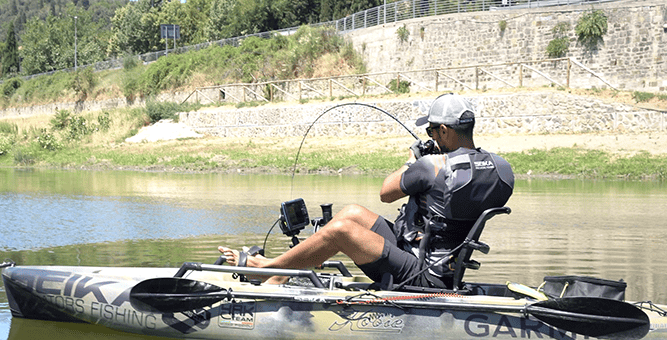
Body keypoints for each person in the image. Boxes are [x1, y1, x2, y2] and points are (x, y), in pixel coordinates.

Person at [219, 94, 515, 289]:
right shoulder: (502, 170)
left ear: (445, 131)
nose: (430, 137)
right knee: (351, 213)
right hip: (441, 263)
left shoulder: (432, 166)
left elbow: (386, 193)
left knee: (342, 231)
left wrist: (413, 162)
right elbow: (459, 197)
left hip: (423, 274)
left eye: (431, 131)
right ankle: (283, 272)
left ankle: (265, 268)